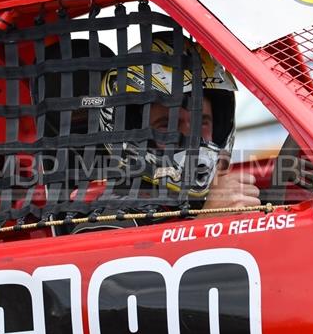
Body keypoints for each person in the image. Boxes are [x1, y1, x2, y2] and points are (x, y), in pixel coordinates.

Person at [63, 32, 260, 234]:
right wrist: (207, 222)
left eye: (201, 122)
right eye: (168, 125)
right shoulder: (111, 218)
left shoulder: (214, 199)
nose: (190, 137)